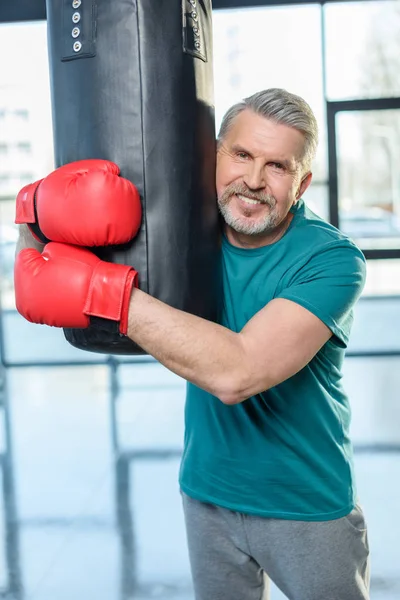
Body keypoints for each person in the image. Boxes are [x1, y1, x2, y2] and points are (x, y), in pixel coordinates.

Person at [15, 88, 369, 600]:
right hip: (207, 493)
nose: (252, 180)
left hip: (304, 502)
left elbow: (238, 372)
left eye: (277, 166)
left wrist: (103, 292)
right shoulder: (186, 232)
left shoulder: (333, 260)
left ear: (302, 182)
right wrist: (32, 212)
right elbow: (52, 257)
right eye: (242, 155)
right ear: (214, 155)